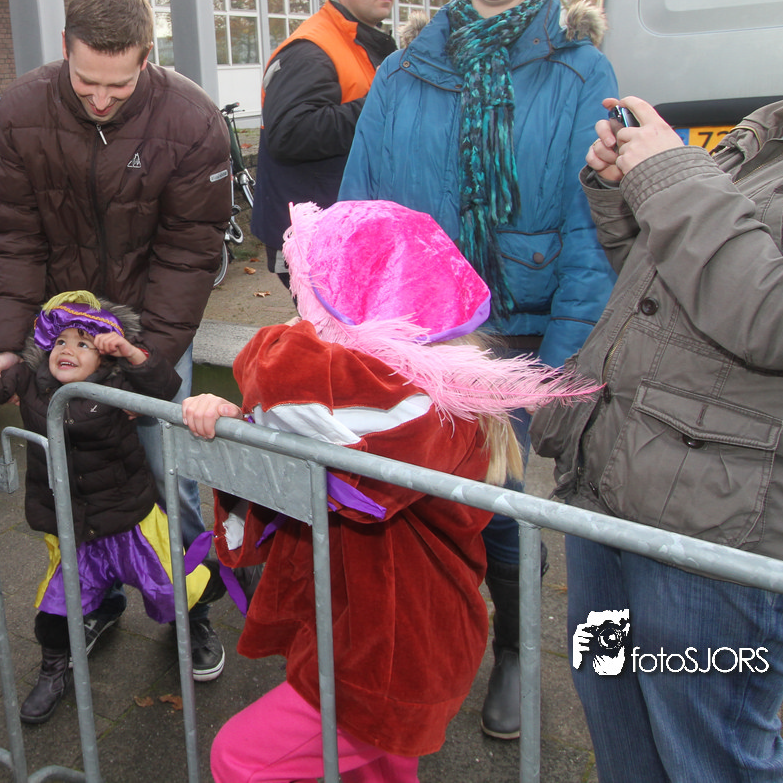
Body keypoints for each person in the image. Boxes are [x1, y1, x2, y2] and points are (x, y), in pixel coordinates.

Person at [531, 0, 783, 782]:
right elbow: (674, 286)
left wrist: (670, 174)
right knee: (616, 715)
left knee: (713, 752)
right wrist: (626, 190)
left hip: (727, 532)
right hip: (620, 490)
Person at [337, 0, 617, 740]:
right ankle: (426, 644)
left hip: (513, 339)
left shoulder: (580, 70)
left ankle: (514, 648)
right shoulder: (404, 70)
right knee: (413, 496)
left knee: (496, 503)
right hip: (411, 336)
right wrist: (345, 329)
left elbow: (591, 230)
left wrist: (558, 364)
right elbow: (356, 212)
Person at [180, 200, 595, 783]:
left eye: (313, 292)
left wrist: (266, 384)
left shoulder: (427, 407)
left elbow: (284, 388)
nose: (301, 308)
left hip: (389, 657)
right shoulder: (405, 391)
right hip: (377, 634)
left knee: (238, 758)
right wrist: (237, 424)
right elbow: (295, 438)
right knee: (380, 774)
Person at [0, 0, 232, 680]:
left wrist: (144, 358)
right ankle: (92, 597)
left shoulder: (192, 121)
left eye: (119, 86)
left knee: (166, 470)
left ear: (147, 56)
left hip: (149, 328)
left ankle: (188, 603)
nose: (99, 99)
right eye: (86, 80)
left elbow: (188, 254)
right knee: (66, 476)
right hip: (58, 334)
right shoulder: (20, 111)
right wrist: (9, 346)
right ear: (65, 48)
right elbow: (13, 238)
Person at [0, 292, 224, 724]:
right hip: (72, 528)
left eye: (84, 343)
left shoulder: (117, 385)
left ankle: (227, 577)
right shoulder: (30, 380)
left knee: (175, 591)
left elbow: (164, 388)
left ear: (103, 356)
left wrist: (131, 352)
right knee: (55, 611)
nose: (68, 350)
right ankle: (53, 671)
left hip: (130, 522)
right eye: (60, 341)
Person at [250, 0, 397, 284]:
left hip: (346, 229)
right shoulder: (312, 49)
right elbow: (289, 132)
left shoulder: (361, 41)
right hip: (314, 240)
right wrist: (382, 107)